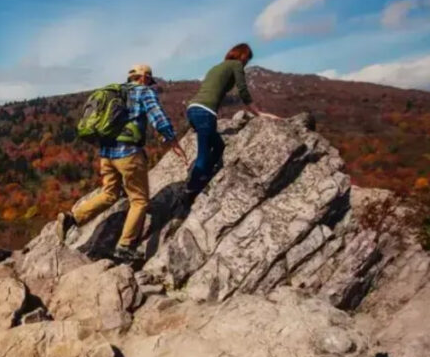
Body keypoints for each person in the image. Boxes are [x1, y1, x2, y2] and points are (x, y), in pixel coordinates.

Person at [56, 63, 186, 262]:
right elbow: (158, 117)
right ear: (144, 78)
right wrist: (172, 140)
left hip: (106, 154)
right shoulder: (143, 92)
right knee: (140, 201)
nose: (150, 84)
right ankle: (125, 246)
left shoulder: (116, 92)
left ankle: (72, 218)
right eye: (149, 80)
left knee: (109, 193)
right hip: (129, 154)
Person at [185, 43, 278, 194]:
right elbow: (242, 89)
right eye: (247, 58)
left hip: (192, 109)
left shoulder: (216, 67)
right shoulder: (236, 65)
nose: (246, 62)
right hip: (205, 111)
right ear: (241, 55)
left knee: (219, 146)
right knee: (204, 152)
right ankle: (192, 188)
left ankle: (203, 176)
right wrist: (257, 112)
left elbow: (213, 91)